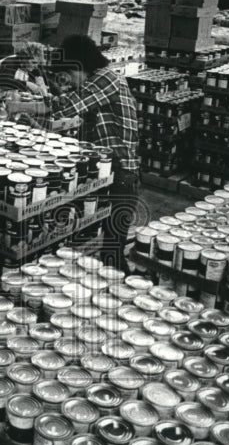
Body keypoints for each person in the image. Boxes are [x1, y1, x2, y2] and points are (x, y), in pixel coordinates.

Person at [14, 34, 140, 272]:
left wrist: (20, 106)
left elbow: (66, 105)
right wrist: (39, 129)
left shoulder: (107, 79)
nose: (70, 81)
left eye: (70, 74)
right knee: (99, 243)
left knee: (112, 250)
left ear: (79, 66)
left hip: (123, 174)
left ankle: (119, 294)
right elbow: (80, 135)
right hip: (107, 170)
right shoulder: (95, 89)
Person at [0, 42, 50, 126]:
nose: (36, 66)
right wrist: (28, 84)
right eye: (34, 63)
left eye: (38, 63)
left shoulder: (30, 65)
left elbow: (40, 76)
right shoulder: (10, 62)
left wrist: (45, 92)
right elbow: (4, 83)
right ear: (25, 57)